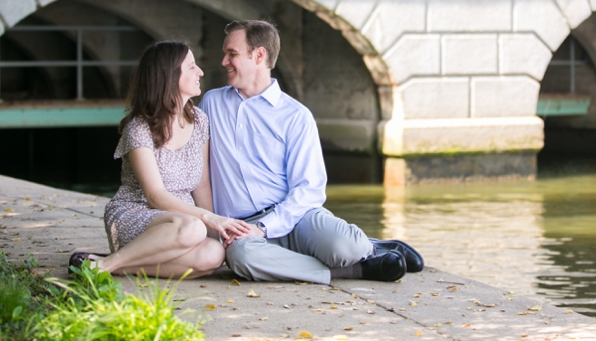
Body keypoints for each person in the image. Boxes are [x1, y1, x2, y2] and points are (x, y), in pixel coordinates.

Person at [199, 19, 423, 284]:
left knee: (345, 247)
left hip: (295, 217)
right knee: (243, 259)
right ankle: (358, 268)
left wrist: (265, 227)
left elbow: (309, 190)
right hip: (240, 227)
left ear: (258, 55)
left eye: (231, 54)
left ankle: (370, 248)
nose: (223, 61)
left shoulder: (296, 116)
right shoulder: (211, 103)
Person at [68, 41, 251, 277]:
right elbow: (155, 196)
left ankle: (109, 265)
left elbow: (202, 185)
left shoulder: (200, 120)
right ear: (170, 76)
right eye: (192, 67)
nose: (201, 73)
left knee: (214, 254)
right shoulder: (139, 128)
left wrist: (218, 234)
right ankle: (106, 266)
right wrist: (208, 218)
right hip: (137, 214)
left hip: (183, 223)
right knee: (193, 227)